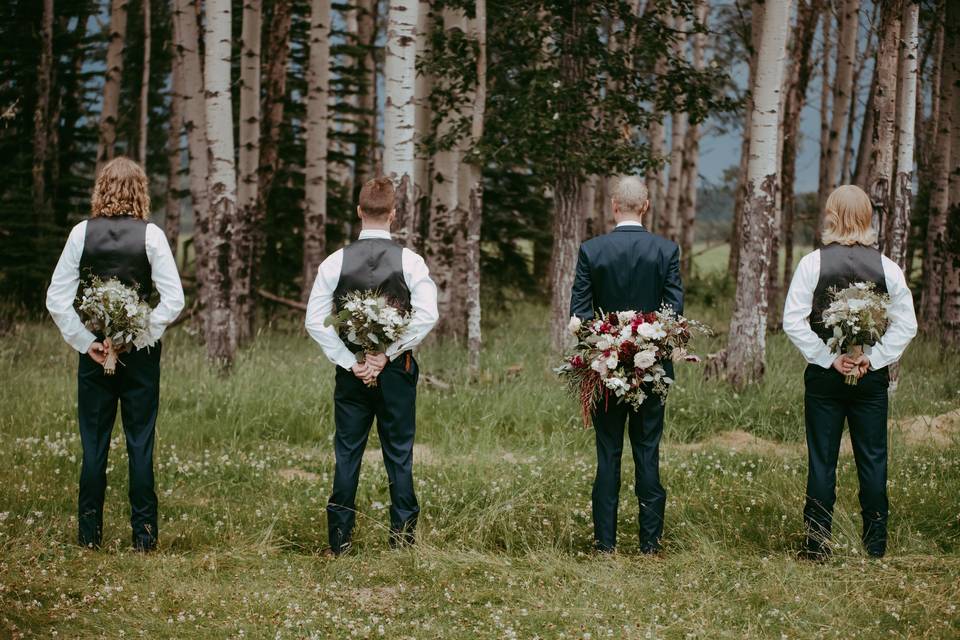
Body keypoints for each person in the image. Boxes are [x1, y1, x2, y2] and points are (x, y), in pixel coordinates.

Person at [46, 157, 185, 551]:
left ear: (101, 189)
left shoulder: (80, 233)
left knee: (94, 443)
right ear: (140, 190)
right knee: (140, 441)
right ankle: (144, 538)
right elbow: (173, 300)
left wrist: (84, 340)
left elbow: (56, 299)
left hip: (94, 351)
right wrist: (139, 336)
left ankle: (89, 535)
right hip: (139, 356)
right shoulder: (152, 235)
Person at [305, 177, 439, 555]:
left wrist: (353, 361)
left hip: (352, 374)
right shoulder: (410, 262)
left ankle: (340, 541)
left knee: (348, 451)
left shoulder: (335, 261)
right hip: (396, 372)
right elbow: (428, 315)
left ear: (359, 212)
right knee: (399, 452)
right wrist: (389, 354)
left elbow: (315, 321)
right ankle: (402, 541)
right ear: (394, 214)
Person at [783, 185, 917, 560]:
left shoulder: (812, 263)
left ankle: (816, 546)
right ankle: (874, 546)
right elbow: (907, 325)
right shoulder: (888, 267)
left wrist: (827, 358)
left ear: (832, 215)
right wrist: (873, 360)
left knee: (821, 459)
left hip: (826, 377)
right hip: (869, 378)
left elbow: (793, 321)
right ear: (867, 218)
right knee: (873, 457)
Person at [569, 175, 683, 554]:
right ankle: (650, 544)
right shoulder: (666, 251)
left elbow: (581, 317)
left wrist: (609, 347)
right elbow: (673, 316)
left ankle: (605, 544)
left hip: (604, 371)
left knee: (608, 452)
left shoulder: (592, 250)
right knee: (647, 450)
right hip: (652, 372)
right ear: (645, 206)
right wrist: (645, 345)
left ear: (614, 206)